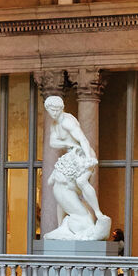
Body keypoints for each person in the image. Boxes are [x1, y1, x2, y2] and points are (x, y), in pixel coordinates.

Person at [43, 94, 111, 241]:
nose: (53, 113)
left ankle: (98, 213)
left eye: (56, 110)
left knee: (81, 181)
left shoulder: (67, 121)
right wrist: (68, 145)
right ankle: (62, 226)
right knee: (60, 188)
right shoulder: (54, 124)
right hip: (71, 154)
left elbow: (83, 139)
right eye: (50, 110)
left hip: (82, 153)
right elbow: (52, 143)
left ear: (61, 108)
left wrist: (89, 158)